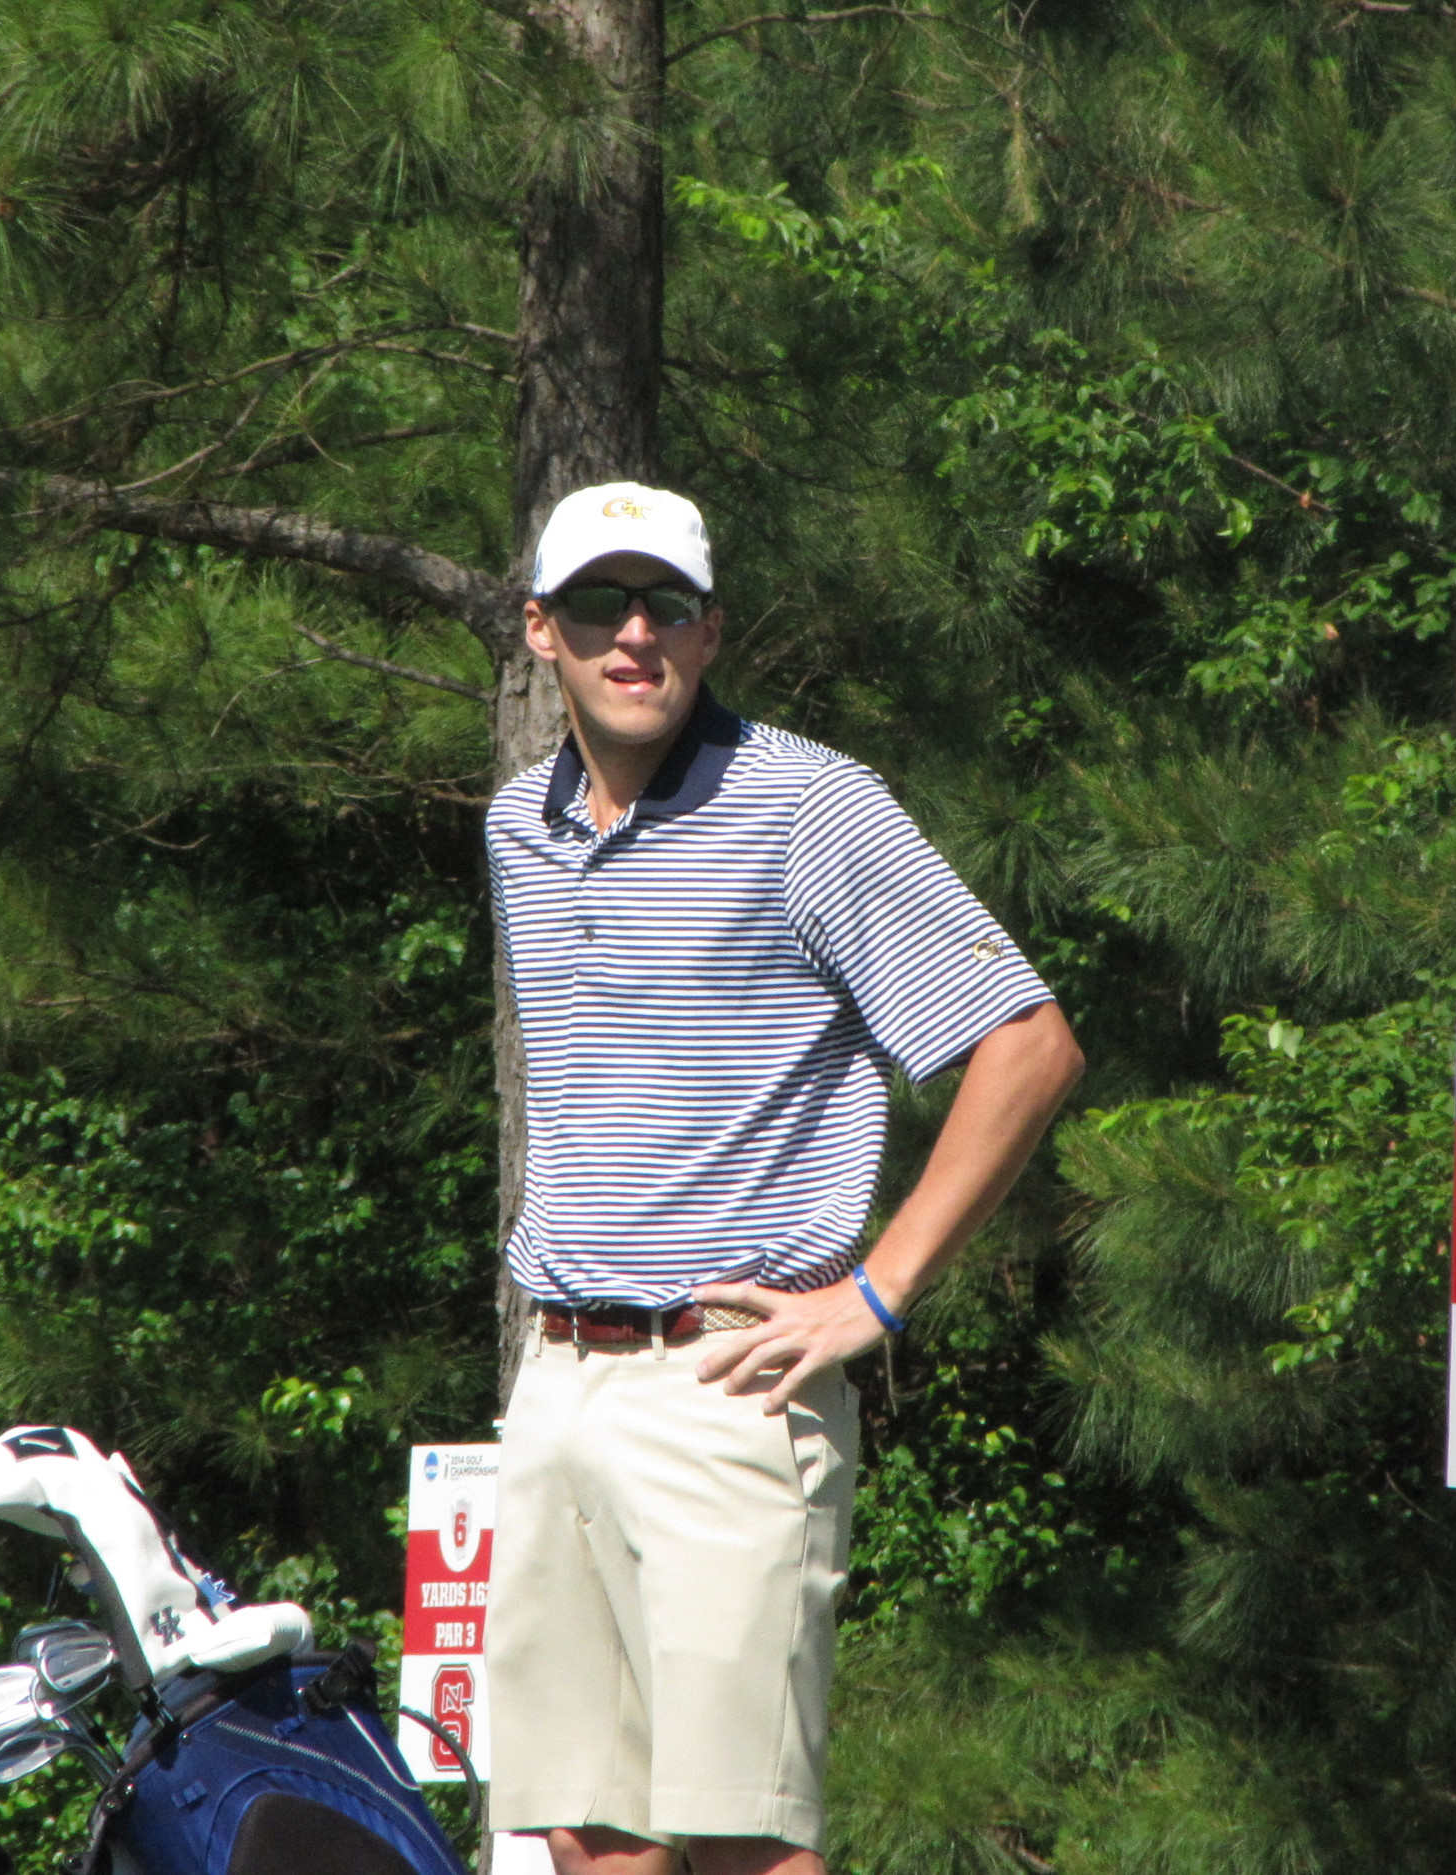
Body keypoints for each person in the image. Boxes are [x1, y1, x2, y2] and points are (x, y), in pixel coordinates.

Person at [485, 483, 1084, 1875]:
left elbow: (1028, 1044)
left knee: (744, 1845)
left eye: (666, 607)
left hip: (728, 1386)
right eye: (597, 606)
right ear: (540, 632)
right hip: (558, 1378)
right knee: (589, 1836)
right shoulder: (524, 826)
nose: (633, 636)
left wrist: (877, 1292)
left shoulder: (808, 807)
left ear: (711, 632)